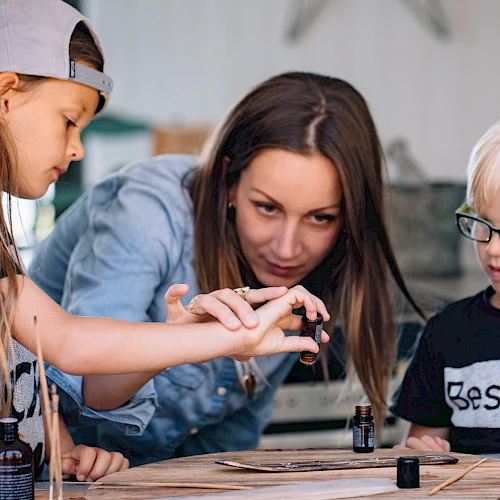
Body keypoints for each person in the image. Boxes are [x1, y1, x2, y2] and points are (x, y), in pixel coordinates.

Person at [0, 0, 329, 482]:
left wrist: (65, 454)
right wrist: (228, 336)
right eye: (69, 120)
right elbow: (68, 344)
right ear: (6, 94)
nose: (78, 148)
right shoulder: (145, 205)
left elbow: (33, 381)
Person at [29, 70, 425, 466]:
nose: (287, 249)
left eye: (320, 218)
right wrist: (180, 343)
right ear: (228, 181)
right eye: (267, 208)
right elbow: (91, 385)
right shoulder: (145, 213)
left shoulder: (322, 266)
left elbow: (228, 444)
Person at [391, 120, 500, 455]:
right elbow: (422, 446)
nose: (492, 249)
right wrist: (422, 455)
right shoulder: (448, 332)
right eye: (483, 224)